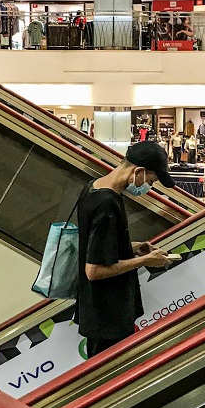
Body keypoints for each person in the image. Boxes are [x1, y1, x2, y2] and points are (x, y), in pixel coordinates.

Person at [76, 142, 175, 358]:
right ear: (138, 171)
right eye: (151, 180)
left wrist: (134, 248)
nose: (149, 186)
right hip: (108, 320)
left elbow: (95, 246)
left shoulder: (94, 188)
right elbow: (94, 270)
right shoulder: (107, 203)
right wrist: (145, 261)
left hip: (99, 315)